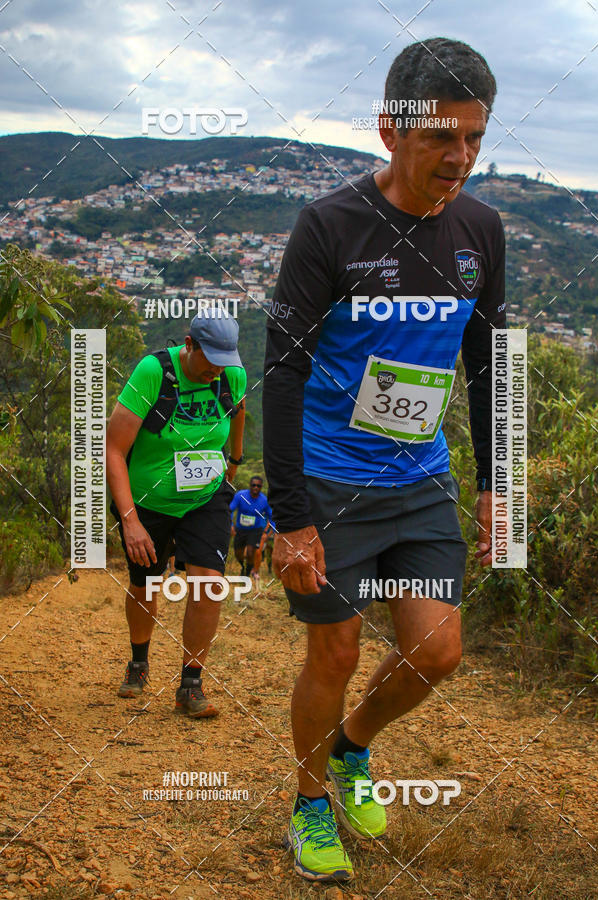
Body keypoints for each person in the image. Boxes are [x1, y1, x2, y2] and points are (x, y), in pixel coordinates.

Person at [263, 38, 504, 881]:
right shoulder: (329, 226)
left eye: (475, 138)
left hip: (421, 477)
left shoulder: (481, 229)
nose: (460, 158)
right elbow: (284, 371)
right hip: (330, 479)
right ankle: (308, 805)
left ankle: (352, 747)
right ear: (390, 131)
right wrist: (291, 518)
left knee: (437, 654)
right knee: (333, 653)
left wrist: (493, 485)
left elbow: (487, 361)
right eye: (443, 138)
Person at [107, 309, 246, 718]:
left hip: (205, 496)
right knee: (146, 586)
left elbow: (237, 413)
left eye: (225, 362)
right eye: (210, 361)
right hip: (149, 500)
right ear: (190, 345)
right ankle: (138, 659)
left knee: (208, 584)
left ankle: (191, 683)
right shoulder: (154, 373)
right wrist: (130, 520)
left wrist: (233, 463)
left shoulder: (229, 375)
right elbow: (114, 449)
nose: (216, 371)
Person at [230, 477, 272, 579]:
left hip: (255, 530)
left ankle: (247, 572)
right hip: (241, 529)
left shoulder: (264, 500)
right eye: (253, 485)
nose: (255, 487)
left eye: (258, 486)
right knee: (238, 553)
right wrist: (231, 525)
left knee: (250, 552)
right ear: (250, 485)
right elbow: (230, 509)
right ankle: (243, 566)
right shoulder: (240, 496)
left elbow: (272, 517)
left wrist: (267, 533)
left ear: (261, 487)